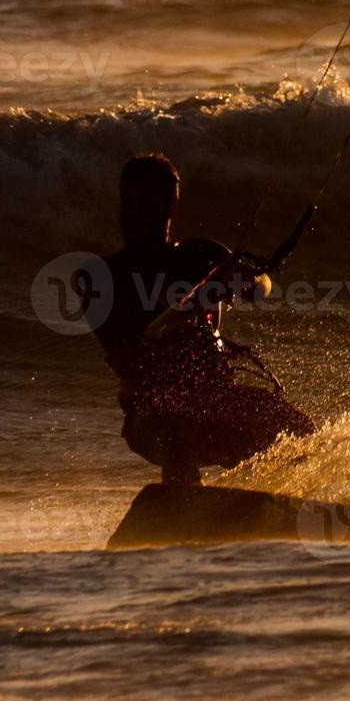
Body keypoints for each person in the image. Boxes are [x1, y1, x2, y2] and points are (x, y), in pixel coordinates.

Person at [90, 153, 315, 485]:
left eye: (145, 201)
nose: (132, 211)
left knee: (298, 428)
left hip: (218, 403)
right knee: (172, 428)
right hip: (151, 415)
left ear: (171, 206)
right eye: (128, 200)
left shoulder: (201, 255)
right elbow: (123, 347)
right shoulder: (102, 276)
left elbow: (260, 288)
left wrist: (246, 278)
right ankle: (184, 506)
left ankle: (285, 504)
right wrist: (187, 309)